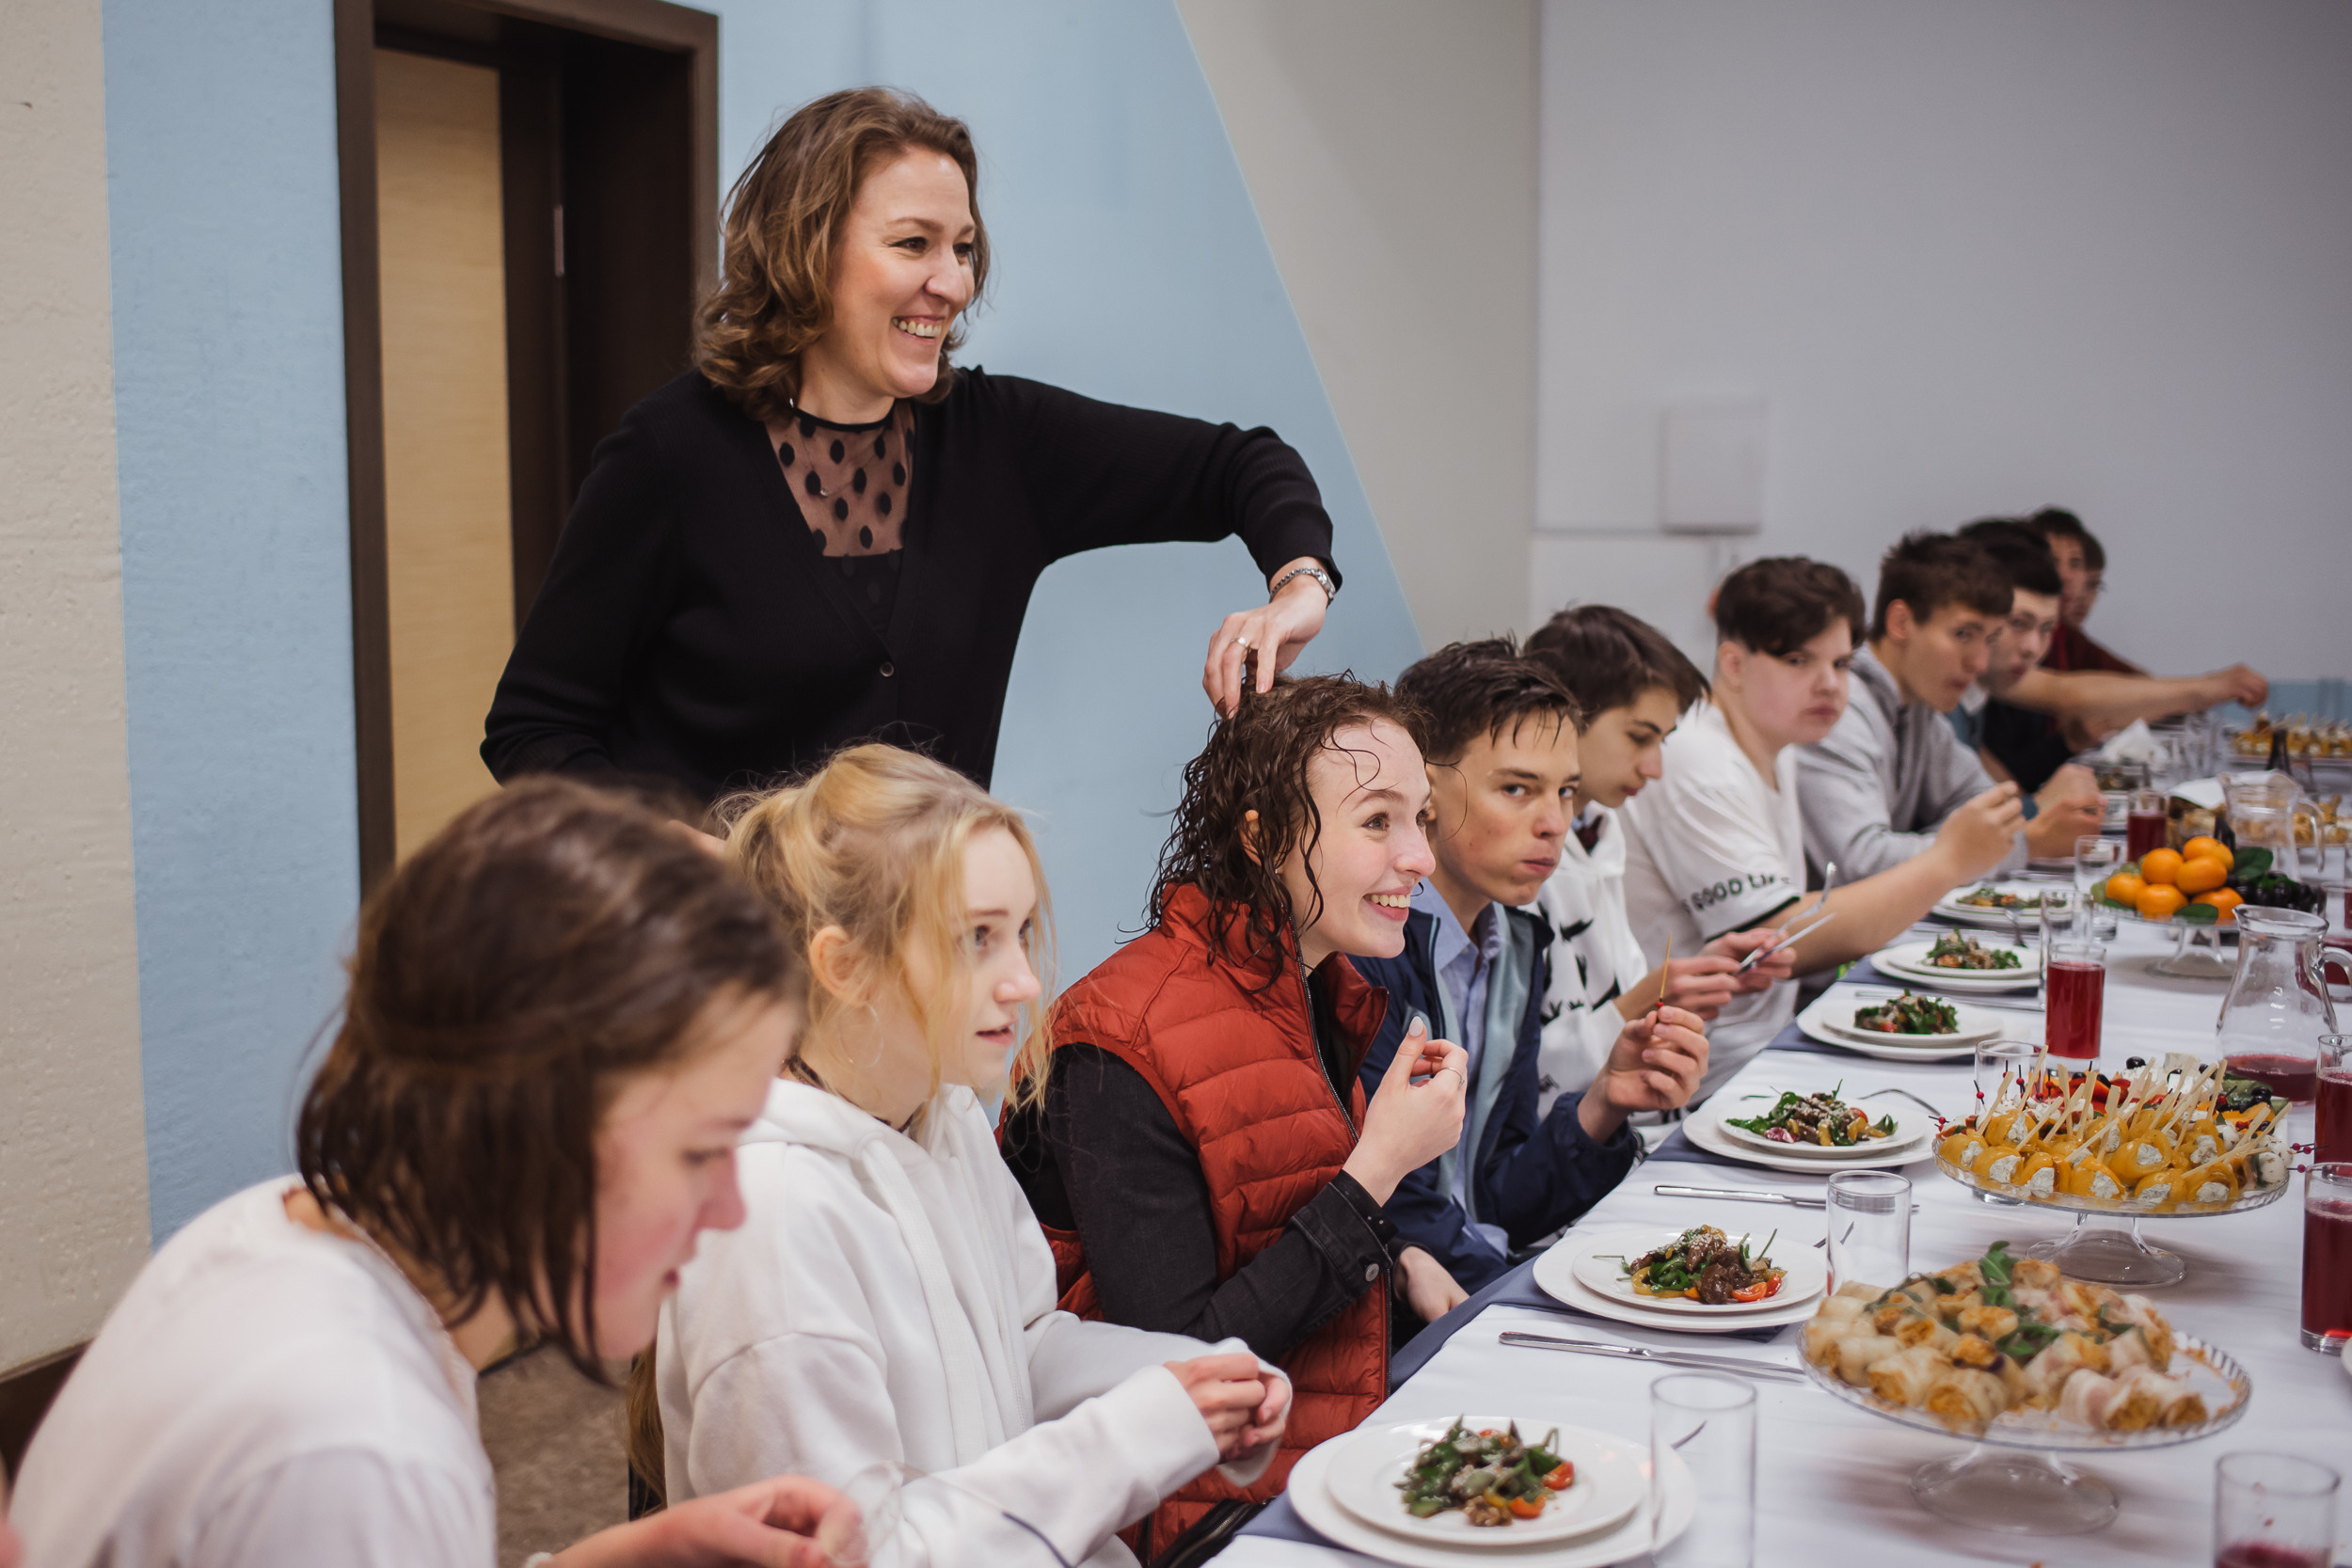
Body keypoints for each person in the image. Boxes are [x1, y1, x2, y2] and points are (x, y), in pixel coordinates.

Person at [10, 778, 843, 1567]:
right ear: (531, 1119)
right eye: (702, 1151)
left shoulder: (275, 1225)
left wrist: (639, 1551)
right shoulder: (359, 1447)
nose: (731, 1208)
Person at [484, 87, 1342, 801]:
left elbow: (1241, 465)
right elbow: (535, 729)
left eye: (964, 248)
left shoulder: (1003, 442)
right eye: (913, 244)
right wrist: (693, 863)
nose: (954, 282)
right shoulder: (672, 453)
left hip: (924, 966)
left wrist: (1300, 582)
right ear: (806, 250)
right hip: (724, 974)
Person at [647, 745, 1289, 1568]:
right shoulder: (771, 1213)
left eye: (1020, 933)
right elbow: (861, 1554)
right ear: (846, 967)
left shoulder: (939, 1113)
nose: (1023, 978)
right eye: (975, 938)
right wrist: (1133, 1434)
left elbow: (1019, 1341)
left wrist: (1189, 1381)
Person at [1001, 674, 1469, 1555]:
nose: (1420, 858)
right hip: (1195, 1524)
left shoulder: (1322, 988)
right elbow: (1179, 1368)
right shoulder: (1124, 1035)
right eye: (1378, 822)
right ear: (1264, 838)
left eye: (1421, 819)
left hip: (1322, 1465)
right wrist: (1377, 1176)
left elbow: (1270, 1220)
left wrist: (1397, 1249)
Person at [1350, 639, 1710, 1291]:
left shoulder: (1517, 941)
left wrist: (1603, 1103)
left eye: (1566, 791)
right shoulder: (1368, 950)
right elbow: (1390, 1204)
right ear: (1424, 792)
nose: (1555, 824)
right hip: (1396, 1308)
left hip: (1479, 1275)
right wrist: (1529, 1291)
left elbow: (1497, 1194)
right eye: (1517, 788)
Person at [1619, 559, 2023, 1095]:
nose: (1830, 686)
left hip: (1750, 1051)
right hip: (1689, 1083)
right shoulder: (1697, 759)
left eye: (1841, 663)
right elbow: (1783, 938)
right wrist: (1946, 862)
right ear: (1734, 665)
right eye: (1798, 660)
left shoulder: (1775, 741)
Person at [1521, 606, 1787, 1117]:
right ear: (1565, 717)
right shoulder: (1521, 861)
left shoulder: (1601, 828)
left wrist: (1687, 983)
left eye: (1662, 742)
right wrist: (1647, 1000)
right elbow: (1520, 1078)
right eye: (1639, 737)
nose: (1655, 767)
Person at [1796, 531, 2101, 883]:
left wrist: (1965, 839)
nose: (1980, 663)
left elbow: (1988, 806)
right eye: (1963, 635)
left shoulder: (1918, 710)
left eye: (1988, 640)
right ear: (1901, 623)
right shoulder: (1838, 709)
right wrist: (2022, 844)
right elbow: (1862, 864)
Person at [1960, 516, 2266, 784]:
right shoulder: (1954, 693)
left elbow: (1989, 788)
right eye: (2017, 623)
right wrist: (2209, 687)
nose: (2033, 648)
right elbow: (2070, 694)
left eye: (2045, 629)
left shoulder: (1984, 684)